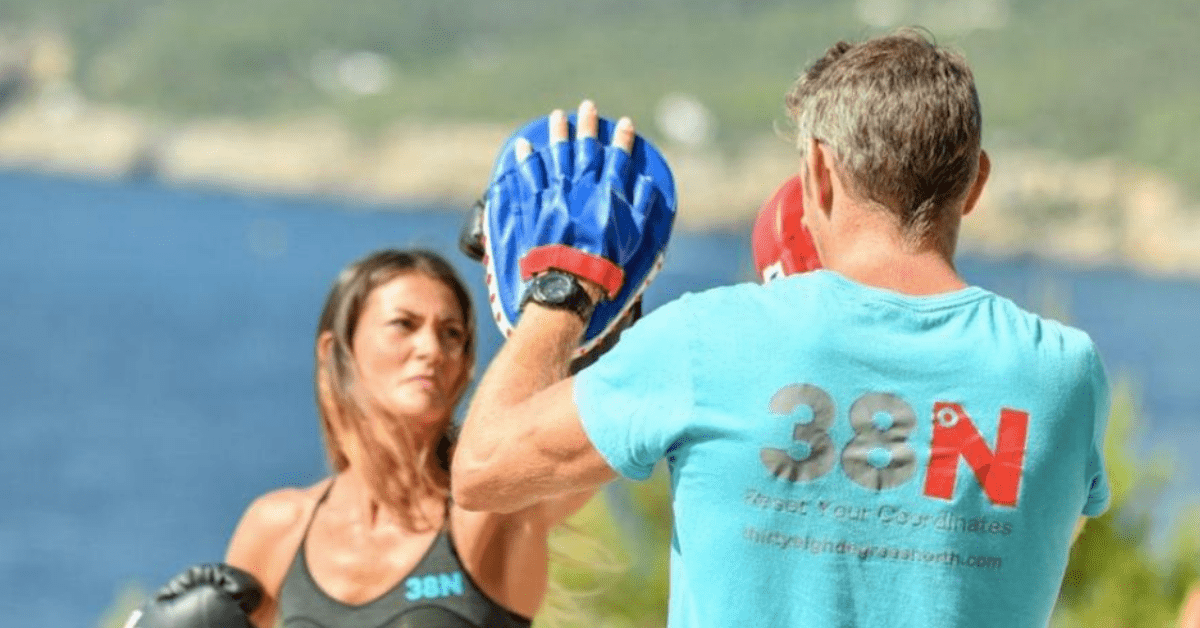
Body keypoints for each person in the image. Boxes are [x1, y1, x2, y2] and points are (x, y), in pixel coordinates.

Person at [451, 29, 1111, 628]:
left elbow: (482, 469)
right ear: (975, 183)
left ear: (817, 174)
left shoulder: (707, 341)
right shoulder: (1064, 375)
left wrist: (567, 283)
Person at [131, 249, 598, 628]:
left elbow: (596, 426)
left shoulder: (490, 511)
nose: (431, 350)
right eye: (404, 325)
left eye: (451, 334)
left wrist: (583, 282)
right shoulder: (278, 527)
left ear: (464, 367)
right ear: (337, 351)